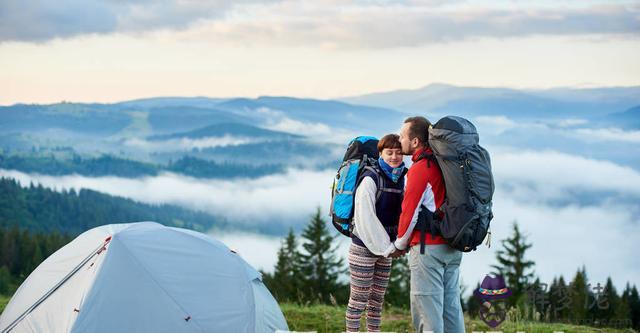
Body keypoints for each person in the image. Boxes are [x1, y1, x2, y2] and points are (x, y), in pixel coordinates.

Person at [393, 116, 465, 333]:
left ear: (415, 142)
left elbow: (409, 213)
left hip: (428, 249)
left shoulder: (420, 168)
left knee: (428, 313)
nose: (399, 139)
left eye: (403, 136)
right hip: (453, 245)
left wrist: (399, 245)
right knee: (451, 309)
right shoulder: (444, 162)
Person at [345, 134, 407, 332]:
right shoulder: (370, 179)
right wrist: (389, 248)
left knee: (377, 300)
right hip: (363, 247)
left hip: (387, 248)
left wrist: (394, 246)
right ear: (380, 153)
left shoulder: (403, 177)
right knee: (358, 300)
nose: (394, 157)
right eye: (389, 152)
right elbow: (366, 218)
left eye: (398, 152)